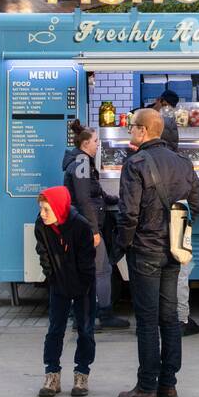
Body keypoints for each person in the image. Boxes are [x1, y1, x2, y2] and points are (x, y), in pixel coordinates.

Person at [116, 108, 199, 397]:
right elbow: (195, 205)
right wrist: (178, 235)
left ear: (143, 130)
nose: (130, 132)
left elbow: (128, 213)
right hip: (174, 251)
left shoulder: (135, 163)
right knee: (170, 317)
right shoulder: (183, 162)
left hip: (145, 251)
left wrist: (122, 247)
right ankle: (169, 384)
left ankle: (146, 386)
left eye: (131, 128)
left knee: (148, 320)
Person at [63, 121, 129, 330]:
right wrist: (93, 230)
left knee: (91, 270)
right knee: (102, 270)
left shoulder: (83, 162)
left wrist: (115, 199)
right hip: (85, 227)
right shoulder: (82, 162)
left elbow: (95, 193)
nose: (98, 145)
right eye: (95, 141)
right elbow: (83, 199)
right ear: (84, 144)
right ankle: (102, 315)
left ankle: (83, 315)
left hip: (82, 225)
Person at [32, 186, 98, 397]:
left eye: (46, 209)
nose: (42, 214)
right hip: (59, 283)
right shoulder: (41, 226)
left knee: (85, 329)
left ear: (59, 208)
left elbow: (87, 263)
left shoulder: (81, 226)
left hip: (82, 284)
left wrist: (82, 287)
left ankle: (82, 374)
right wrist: (52, 278)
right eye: (41, 209)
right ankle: (52, 374)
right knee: (55, 329)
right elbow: (43, 254)